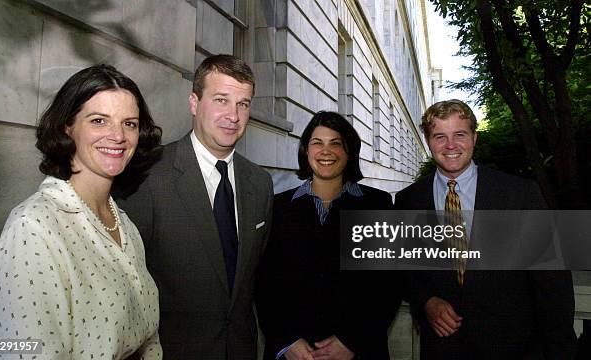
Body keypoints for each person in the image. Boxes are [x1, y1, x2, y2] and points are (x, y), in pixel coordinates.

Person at [0, 64, 163, 359]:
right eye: (99, 120)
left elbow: (149, 340)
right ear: (67, 127)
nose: (118, 136)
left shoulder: (125, 225)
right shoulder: (33, 227)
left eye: (129, 123)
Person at [117, 54, 273, 359]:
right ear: (193, 103)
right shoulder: (147, 175)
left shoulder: (260, 182)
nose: (234, 115)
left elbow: (256, 280)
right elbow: (124, 286)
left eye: (243, 104)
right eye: (221, 100)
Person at [395, 99, 576, 359]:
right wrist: (426, 300)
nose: (450, 146)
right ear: (428, 141)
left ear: (474, 138)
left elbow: (552, 280)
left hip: (513, 348)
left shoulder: (518, 194)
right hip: (442, 350)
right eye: (439, 136)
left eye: (459, 134)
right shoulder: (407, 201)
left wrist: (560, 352)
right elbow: (404, 269)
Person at [256, 111, 401, 360]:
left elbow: (389, 285)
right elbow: (263, 282)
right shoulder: (277, 207)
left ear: (349, 152)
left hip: (358, 351)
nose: (326, 151)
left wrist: (352, 341)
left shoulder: (377, 204)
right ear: (305, 150)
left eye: (336, 143)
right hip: (295, 352)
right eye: (317, 143)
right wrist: (286, 341)